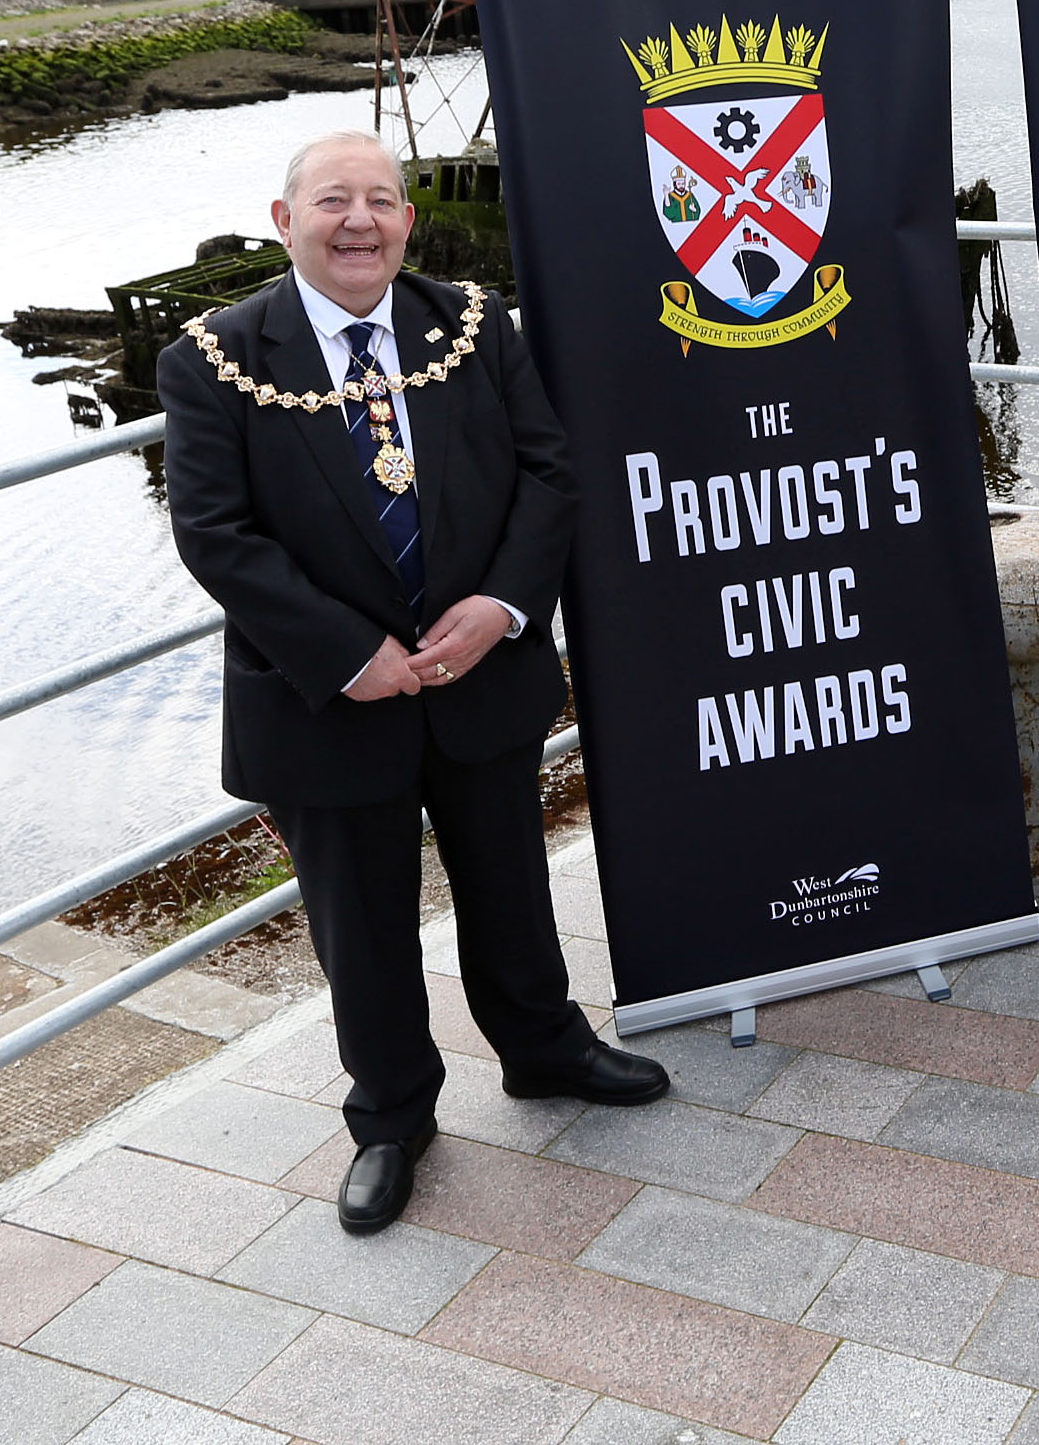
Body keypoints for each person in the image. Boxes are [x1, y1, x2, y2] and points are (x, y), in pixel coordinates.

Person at [159, 130, 668, 1234]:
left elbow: (547, 471)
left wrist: (501, 608)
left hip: (480, 671)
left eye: (381, 201)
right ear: (283, 219)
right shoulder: (211, 355)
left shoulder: (473, 324)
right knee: (362, 923)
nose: (359, 221)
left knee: (508, 883)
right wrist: (349, 655)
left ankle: (542, 1049)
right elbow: (214, 532)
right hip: (322, 700)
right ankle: (392, 1117)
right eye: (332, 200)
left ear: (408, 220)